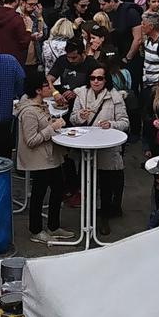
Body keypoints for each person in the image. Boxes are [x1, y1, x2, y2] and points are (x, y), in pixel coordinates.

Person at [68, 62, 129, 222]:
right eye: (92, 78)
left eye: (99, 78)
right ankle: (89, 216)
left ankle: (105, 218)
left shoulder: (115, 96)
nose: (96, 81)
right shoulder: (81, 95)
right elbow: (73, 119)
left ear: (105, 80)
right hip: (85, 147)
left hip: (108, 148)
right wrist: (80, 116)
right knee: (87, 184)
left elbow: (124, 122)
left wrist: (112, 124)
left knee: (107, 185)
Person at [17, 67, 69, 239]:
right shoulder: (29, 111)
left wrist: (52, 123)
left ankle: (54, 226)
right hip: (39, 160)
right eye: (47, 85)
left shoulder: (42, 105)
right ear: (38, 90)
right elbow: (31, 140)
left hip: (50, 157)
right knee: (39, 194)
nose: (51, 88)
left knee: (58, 189)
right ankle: (36, 230)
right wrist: (52, 128)